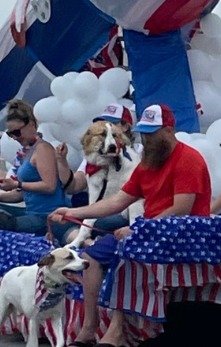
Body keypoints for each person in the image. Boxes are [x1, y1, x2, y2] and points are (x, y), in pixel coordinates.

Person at [50, 104, 211, 347]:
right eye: (144, 132)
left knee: (126, 250)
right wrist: (74, 212)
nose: (146, 138)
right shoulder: (148, 162)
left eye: (152, 133)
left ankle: (116, 333)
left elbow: (181, 210)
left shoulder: (189, 159)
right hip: (152, 230)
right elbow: (117, 201)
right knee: (91, 257)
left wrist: (137, 230)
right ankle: (88, 330)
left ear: (169, 131)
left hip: (182, 233)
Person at [0, 100, 73, 245]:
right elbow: (23, 195)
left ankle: (8, 225)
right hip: (32, 213)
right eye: (11, 134)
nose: (15, 137)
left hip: (46, 216)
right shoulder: (29, 152)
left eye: (17, 132)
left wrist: (17, 183)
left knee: (6, 225)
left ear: (31, 125)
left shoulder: (43, 149)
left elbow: (49, 186)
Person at [57, 103, 141, 243]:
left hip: (125, 211)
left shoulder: (138, 151)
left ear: (125, 127)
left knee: (86, 223)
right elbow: (74, 186)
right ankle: (88, 243)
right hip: (100, 210)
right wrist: (62, 161)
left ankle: (87, 243)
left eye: (111, 123)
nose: (105, 126)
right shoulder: (94, 156)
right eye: (102, 125)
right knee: (63, 223)